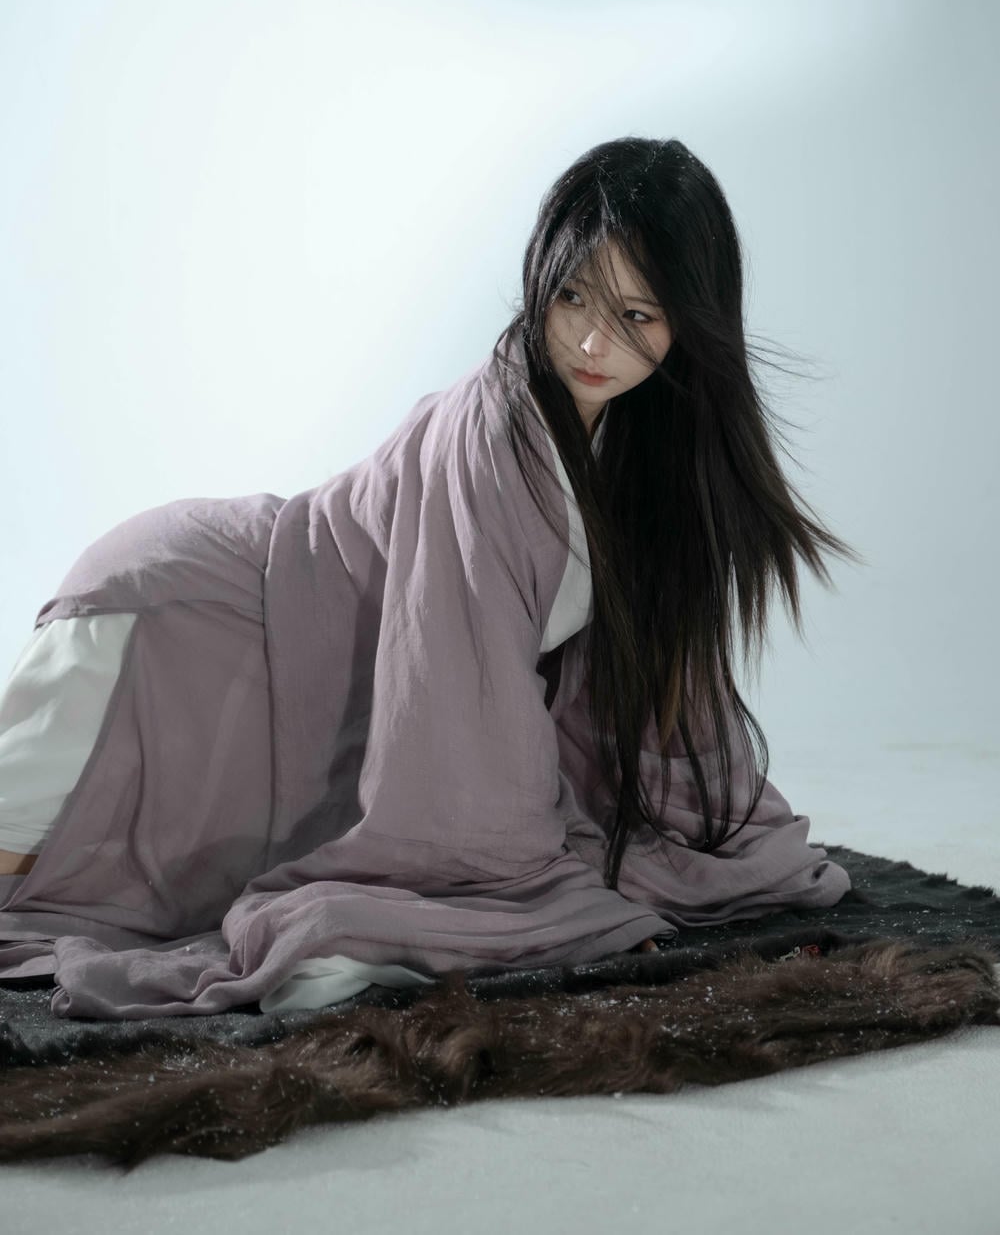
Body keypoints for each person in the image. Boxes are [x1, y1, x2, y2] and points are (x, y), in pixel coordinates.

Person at [0, 135, 862, 1018]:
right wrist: (555, 899)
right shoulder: (494, 433)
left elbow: (658, 700)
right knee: (29, 869)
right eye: (571, 296)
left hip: (280, 656)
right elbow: (463, 707)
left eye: (637, 316)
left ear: (692, 321)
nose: (592, 340)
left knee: (103, 872)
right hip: (184, 614)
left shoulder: (641, 448)